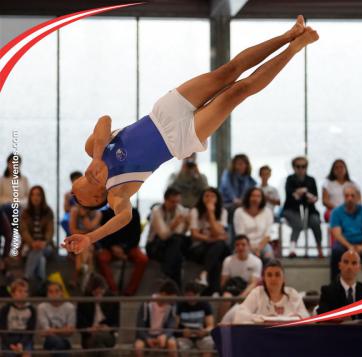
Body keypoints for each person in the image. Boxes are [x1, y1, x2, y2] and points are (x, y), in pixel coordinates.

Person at [63, 17, 319, 255]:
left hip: (163, 113)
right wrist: (91, 237)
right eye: (77, 197)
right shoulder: (116, 193)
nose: (72, 193)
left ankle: (288, 35)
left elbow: (104, 120)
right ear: (95, 198)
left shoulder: (92, 149)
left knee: (228, 72)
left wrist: (98, 157)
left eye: (72, 194)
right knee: (237, 92)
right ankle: (294, 48)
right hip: (180, 139)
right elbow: (125, 217)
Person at [233, 259, 309, 324]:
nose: (273, 279)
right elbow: (239, 316)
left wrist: (269, 319)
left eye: (277, 274)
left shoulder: (292, 293)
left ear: (284, 279)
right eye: (269, 275)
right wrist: (260, 319)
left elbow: (306, 317)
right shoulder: (257, 293)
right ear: (264, 279)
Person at [96, 207, 148, 295]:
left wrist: (124, 249)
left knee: (143, 259)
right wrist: (112, 247)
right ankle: (113, 290)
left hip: (129, 247)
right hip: (111, 248)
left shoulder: (134, 212)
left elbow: (136, 235)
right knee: (102, 258)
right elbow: (102, 235)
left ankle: (130, 291)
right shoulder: (105, 213)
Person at [188, 187, 230, 294]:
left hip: (215, 247)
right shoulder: (195, 211)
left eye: (212, 196)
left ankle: (205, 274)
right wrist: (210, 239)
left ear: (217, 199)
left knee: (218, 247)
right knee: (216, 252)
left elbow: (218, 233)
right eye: (207, 196)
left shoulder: (223, 211)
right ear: (202, 198)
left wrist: (211, 213)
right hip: (199, 247)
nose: (209, 198)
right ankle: (215, 291)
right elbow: (194, 235)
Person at [147, 187, 190, 287]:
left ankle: (167, 276)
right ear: (165, 200)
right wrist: (174, 224)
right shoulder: (156, 211)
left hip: (172, 244)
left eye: (177, 202)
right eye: (172, 202)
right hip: (155, 245)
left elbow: (181, 233)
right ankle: (175, 285)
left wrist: (187, 225)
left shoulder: (180, 210)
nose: (175, 205)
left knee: (178, 243)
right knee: (176, 248)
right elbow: (163, 235)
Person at [317, 250, 362, 319]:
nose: (349, 267)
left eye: (354, 263)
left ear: (359, 267)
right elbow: (322, 316)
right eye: (346, 262)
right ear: (339, 265)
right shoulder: (328, 291)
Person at [283, 156, 323, 258]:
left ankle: (320, 249)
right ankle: (292, 249)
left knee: (315, 221)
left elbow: (315, 196)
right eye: (298, 166)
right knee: (298, 223)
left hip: (309, 210)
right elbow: (291, 195)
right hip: (292, 209)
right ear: (294, 167)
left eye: (303, 166)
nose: (301, 169)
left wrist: (309, 196)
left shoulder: (311, 180)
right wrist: (301, 192)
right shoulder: (290, 179)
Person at [219, 235, 262, 319]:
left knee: (248, 297)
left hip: (247, 289)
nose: (240, 247)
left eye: (243, 244)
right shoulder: (228, 260)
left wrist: (241, 296)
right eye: (237, 245)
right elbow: (223, 282)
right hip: (231, 289)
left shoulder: (256, 261)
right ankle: (221, 325)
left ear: (249, 246)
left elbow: (253, 283)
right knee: (226, 297)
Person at [135, 279, 179, 357]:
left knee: (172, 344)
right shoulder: (146, 304)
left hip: (162, 335)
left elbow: (171, 324)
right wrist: (147, 338)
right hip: (147, 335)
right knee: (138, 347)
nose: (173, 301)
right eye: (171, 298)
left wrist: (165, 335)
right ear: (164, 294)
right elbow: (139, 326)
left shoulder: (172, 306)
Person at [77, 274, 119, 353]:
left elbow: (117, 324)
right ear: (90, 291)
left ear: (105, 290)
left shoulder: (113, 299)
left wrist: (108, 328)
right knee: (98, 343)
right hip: (89, 337)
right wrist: (89, 329)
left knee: (98, 340)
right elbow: (79, 325)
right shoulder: (83, 301)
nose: (98, 296)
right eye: (95, 293)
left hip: (108, 336)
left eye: (101, 292)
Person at [20, 185, 54, 282]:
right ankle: (42, 282)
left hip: (45, 245)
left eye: (38, 195)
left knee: (39, 250)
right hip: (28, 245)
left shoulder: (48, 212)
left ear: (42, 197)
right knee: (41, 259)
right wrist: (32, 243)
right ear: (30, 197)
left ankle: (27, 276)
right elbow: (24, 231)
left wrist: (44, 242)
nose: (35, 197)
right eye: (33, 195)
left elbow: (50, 230)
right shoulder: (25, 212)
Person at [0, 153, 30, 258]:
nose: (14, 165)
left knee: (17, 212)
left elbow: (28, 198)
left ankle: (18, 246)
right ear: (7, 164)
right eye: (12, 163)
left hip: (20, 208)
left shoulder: (24, 180)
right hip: (5, 210)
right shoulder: (2, 180)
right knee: (10, 211)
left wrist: (16, 202)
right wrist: (12, 201)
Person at [175, 282, 215, 357]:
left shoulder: (205, 304)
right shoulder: (179, 305)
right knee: (181, 345)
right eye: (188, 295)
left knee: (209, 343)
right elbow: (175, 327)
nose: (191, 298)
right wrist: (182, 332)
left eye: (193, 295)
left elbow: (211, 325)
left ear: (198, 294)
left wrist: (205, 332)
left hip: (201, 335)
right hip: (185, 336)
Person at [233, 187, 274, 260]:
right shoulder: (239, 212)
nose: (255, 199)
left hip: (263, 244)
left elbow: (267, 235)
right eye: (253, 196)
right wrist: (250, 248)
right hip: (244, 244)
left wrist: (258, 248)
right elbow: (240, 234)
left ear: (262, 199)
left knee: (269, 255)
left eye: (258, 196)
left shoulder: (267, 212)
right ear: (248, 197)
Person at [37, 282, 76, 357]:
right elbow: (46, 331)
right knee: (58, 343)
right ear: (47, 294)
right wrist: (63, 330)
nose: (54, 294)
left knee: (60, 345)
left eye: (57, 291)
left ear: (62, 293)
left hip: (66, 341)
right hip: (48, 341)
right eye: (50, 292)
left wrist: (52, 330)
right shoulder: (41, 307)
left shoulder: (70, 307)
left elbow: (70, 332)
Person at [0, 279, 36, 357]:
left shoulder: (31, 309)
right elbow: (3, 329)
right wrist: (11, 345)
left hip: (24, 337)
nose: (23, 294)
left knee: (26, 354)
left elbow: (30, 331)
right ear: (12, 294)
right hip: (9, 337)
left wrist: (21, 344)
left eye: (25, 291)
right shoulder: (5, 308)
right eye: (20, 291)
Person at [69, 204, 101, 288]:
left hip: (92, 242)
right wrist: (87, 235)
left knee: (84, 248)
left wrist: (83, 215)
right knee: (88, 253)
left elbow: (90, 227)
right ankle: (89, 279)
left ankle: (77, 275)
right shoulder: (74, 210)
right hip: (76, 241)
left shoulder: (97, 213)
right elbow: (72, 230)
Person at [219, 154, 257, 223]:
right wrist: (234, 199)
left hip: (242, 205)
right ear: (234, 165)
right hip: (227, 204)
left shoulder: (250, 180)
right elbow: (227, 188)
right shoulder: (227, 174)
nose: (241, 166)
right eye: (238, 164)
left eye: (243, 164)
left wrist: (242, 201)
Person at [61, 171, 82, 236]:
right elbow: (66, 209)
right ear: (71, 181)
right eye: (75, 180)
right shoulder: (68, 195)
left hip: (84, 214)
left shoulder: (86, 192)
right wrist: (76, 208)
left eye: (79, 179)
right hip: (73, 215)